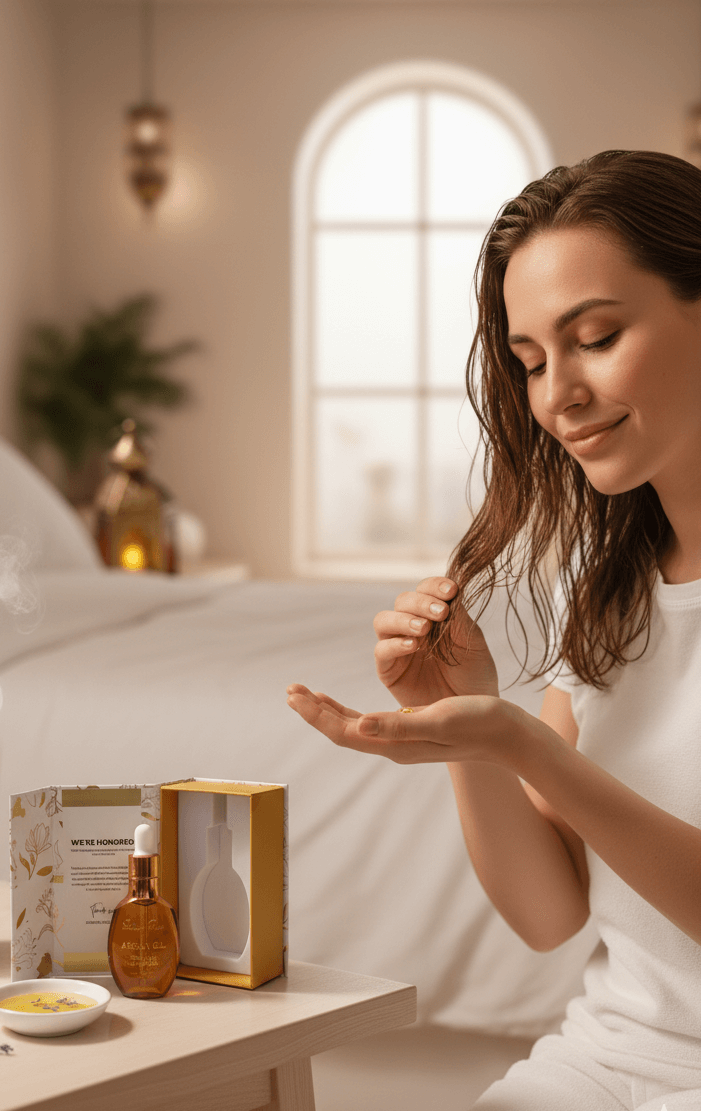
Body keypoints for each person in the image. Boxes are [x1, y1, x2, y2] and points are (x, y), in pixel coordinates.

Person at [287, 150, 701, 1110]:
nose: (557, 396)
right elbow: (551, 913)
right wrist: (468, 724)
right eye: (530, 363)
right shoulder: (609, 591)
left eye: (595, 336)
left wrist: (527, 744)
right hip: (606, 1059)